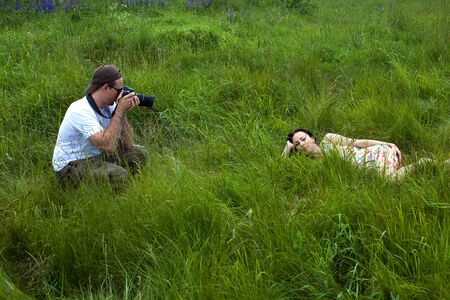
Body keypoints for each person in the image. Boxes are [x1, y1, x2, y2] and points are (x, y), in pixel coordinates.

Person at [52, 65, 147, 186]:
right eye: (119, 91)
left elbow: (127, 144)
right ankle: (111, 191)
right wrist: (118, 112)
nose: (121, 94)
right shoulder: (80, 110)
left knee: (139, 153)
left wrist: (121, 113)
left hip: (98, 156)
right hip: (72, 165)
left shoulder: (110, 105)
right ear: (106, 88)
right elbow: (108, 146)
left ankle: (125, 185)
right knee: (119, 175)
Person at [281, 128, 446, 180]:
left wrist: (386, 144)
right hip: (369, 169)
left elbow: (357, 142)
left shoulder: (328, 140)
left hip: (372, 156)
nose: (302, 143)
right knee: (391, 179)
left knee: (390, 181)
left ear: (311, 137)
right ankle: (431, 167)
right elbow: (281, 169)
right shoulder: (314, 165)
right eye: (297, 144)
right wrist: (287, 148)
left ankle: (426, 162)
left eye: (303, 139)